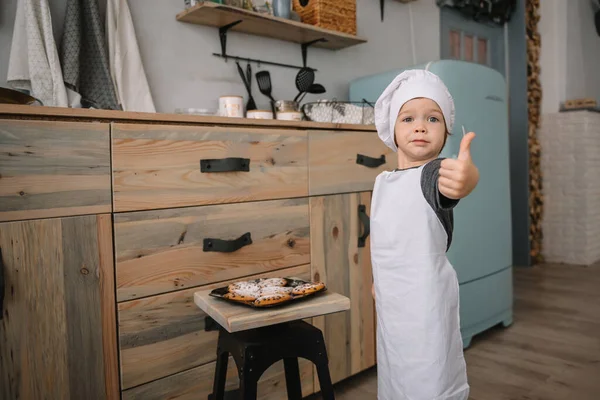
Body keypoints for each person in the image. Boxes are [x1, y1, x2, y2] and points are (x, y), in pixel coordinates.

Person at [370, 69, 479, 400]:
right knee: (396, 373)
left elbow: (454, 184)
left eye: (432, 118)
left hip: (426, 303)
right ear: (393, 129)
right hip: (391, 303)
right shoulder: (383, 182)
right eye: (408, 118)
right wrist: (376, 281)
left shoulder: (434, 175)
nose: (419, 126)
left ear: (445, 132)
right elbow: (381, 241)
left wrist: (466, 177)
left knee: (431, 376)